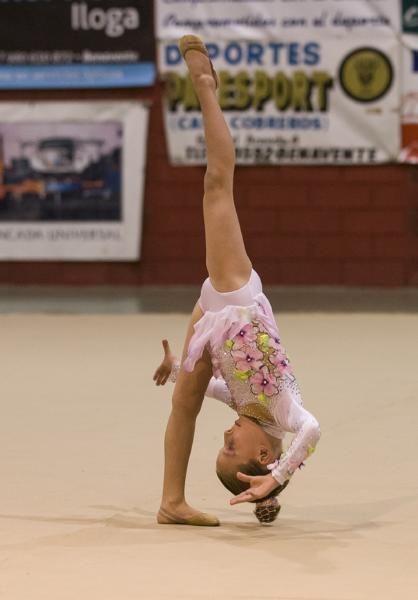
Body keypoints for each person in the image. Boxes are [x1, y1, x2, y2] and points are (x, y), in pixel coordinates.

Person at [156, 36, 321, 526]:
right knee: (217, 185)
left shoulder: (251, 411)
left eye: (221, 445)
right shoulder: (287, 413)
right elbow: (313, 431)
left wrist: (178, 362)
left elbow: (215, 392)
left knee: (184, 397)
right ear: (265, 456)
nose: (227, 435)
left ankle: (171, 502)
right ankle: (206, 87)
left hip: (212, 324)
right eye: (233, 447)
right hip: (238, 300)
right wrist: (280, 477)